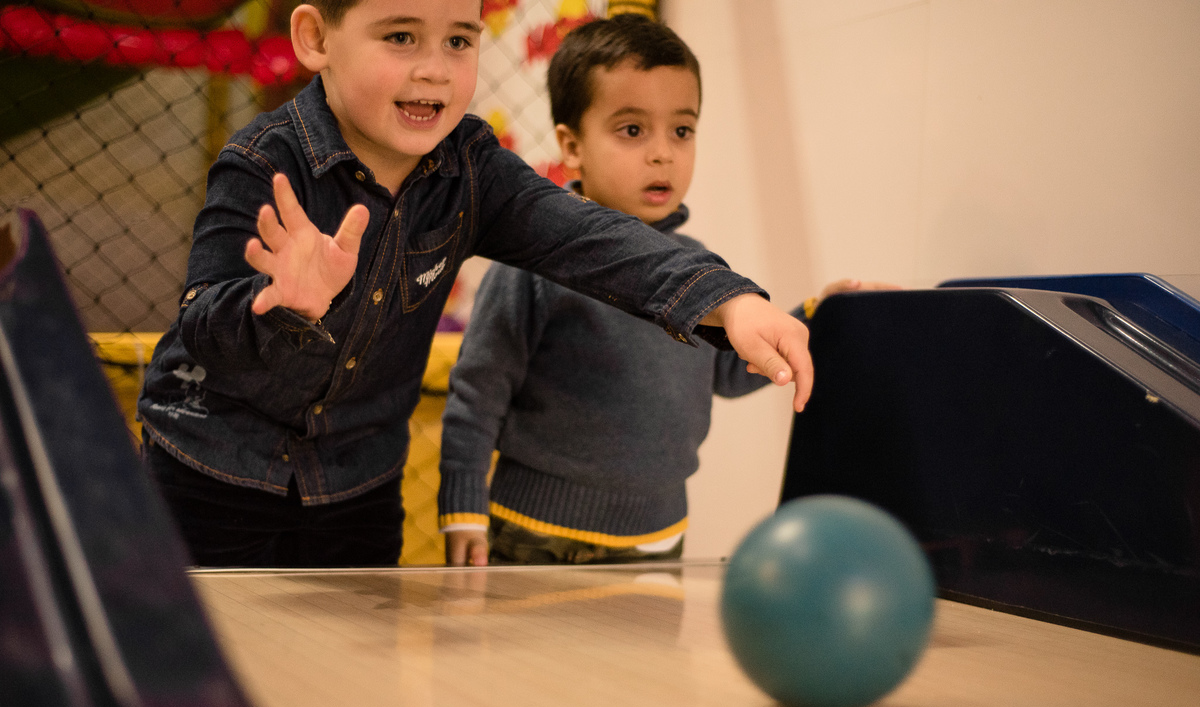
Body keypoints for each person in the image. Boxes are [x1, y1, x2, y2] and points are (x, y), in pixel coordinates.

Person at [136, 0, 814, 568]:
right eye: (401, 36)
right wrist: (284, 306)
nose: (434, 69)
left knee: (345, 700)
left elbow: (589, 237)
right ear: (316, 39)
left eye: (458, 40)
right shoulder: (264, 159)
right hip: (211, 476)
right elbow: (204, 321)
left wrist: (730, 300)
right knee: (194, 686)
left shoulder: (473, 167)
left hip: (355, 487)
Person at [437, 15, 894, 568]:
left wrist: (822, 314)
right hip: (538, 534)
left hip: (659, 538)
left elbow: (727, 371)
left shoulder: (699, 271)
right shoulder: (532, 264)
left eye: (682, 130)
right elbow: (477, 392)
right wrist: (462, 506)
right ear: (572, 145)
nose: (663, 154)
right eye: (632, 130)